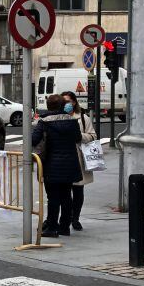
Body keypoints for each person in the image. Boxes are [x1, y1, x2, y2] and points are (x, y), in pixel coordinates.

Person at [32, 94, 83, 238]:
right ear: (62, 106)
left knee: (53, 197)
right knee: (67, 196)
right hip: (69, 164)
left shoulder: (44, 122)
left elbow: (34, 140)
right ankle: (64, 227)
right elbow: (78, 138)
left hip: (51, 164)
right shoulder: (72, 121)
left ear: (48, 106)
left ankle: (52, 228)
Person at [62, 90, 96, 231]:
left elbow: (92, 135)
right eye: (63, 102)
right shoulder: (58, 116)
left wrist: (79, 136)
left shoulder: (83, 117)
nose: (66, 105)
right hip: (63, 158)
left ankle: (75, 218)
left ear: (74, 102)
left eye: (68, 101)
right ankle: (65, 218)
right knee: (64, 192)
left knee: (78, 190)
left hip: (78, 157)